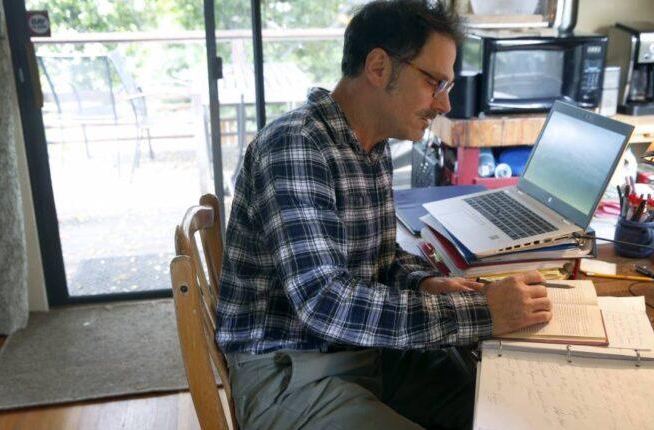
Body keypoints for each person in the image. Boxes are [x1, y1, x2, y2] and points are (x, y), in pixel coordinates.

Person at [216, 1, 552, 428]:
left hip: (358, 352)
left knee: (503, 405)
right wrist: (484, 312)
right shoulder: (295, 146)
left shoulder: (371, 146)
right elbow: (326, 302)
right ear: (378, 67)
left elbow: (380, 261)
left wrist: (426, 282)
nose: (445, 103)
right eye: (435, 83)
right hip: (290, 371)